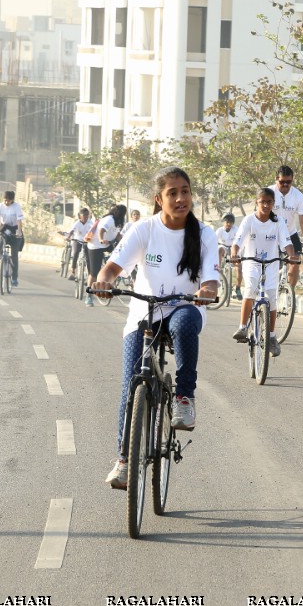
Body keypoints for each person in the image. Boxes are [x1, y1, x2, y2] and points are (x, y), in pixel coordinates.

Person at [92, 167, 219, 489]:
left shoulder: (205, 233)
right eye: (173, 193)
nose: (180, 198)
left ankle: (184, 399)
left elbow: (211, 279)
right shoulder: (144, 229)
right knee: (131, 384)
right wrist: (104, 282)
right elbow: (113, 267)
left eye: (185, 191)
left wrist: (206, 291)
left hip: (183, 306)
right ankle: (124, 460)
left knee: (187, 322)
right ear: (158, 199)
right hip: (144, 311)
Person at [231, 188, 298, 357]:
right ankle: (242, 327)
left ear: (273, 204)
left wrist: (292, 256)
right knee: (250, 288)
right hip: (251, 262)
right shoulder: (249, 220)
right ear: (257, 202)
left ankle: (272, 336)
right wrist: (234, 254)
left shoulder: (278, 222)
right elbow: (237, 242)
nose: (266, 205)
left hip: (271, 264)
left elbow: (286, 243)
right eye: (263, 202)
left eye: (270, 202)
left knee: (272, 298)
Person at [270, 165, 303, 291]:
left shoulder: (298, 195)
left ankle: (290, 292)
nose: (285, 185)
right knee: (270, 266)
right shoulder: (269, 193)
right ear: (276, 179)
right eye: (282, 182)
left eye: (289, 182)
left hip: (290, 234)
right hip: (271, 234)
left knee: (295, 263)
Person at [84, 204, 127, 307]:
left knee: (117, 258)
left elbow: (117, 234)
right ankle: (89, 296)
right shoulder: (109, 219)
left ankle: (112, 277)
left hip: (108, 244)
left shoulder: (119, 221)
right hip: (96, 245)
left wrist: (125, 242)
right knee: (94, 273)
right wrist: (101, 239)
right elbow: (101, 230)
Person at [0, 190, 25, 287]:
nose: (6, 202)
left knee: (14, 256)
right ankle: (0, 261)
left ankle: (14, 278)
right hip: (4, 228)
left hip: (15, 229)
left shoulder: (17, 207)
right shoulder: (0, 206)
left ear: (12, 200)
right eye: (5, 200)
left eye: (8, 201)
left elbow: (19, 220)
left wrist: (19, 232)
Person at [216, 213, 242, 300]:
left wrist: (235, 254)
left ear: (233, 223)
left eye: (230, 222)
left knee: (238, 267)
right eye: (227, 222)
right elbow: (214, 241)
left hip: (233, 248)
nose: (228, 224)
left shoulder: (236, 230)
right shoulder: (219, 231)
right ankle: (218, 268)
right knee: (219, 250)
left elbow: (239, 241)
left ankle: (238, 288)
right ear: (224, 222)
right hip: (223, 246)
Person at [63, 208, 91, 281]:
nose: (86, 218)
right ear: (80, 217)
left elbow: (93, 230)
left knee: (89, 257)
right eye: (84, 216)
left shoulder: (90, 222)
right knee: (75, 253)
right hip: (77, 240)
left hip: (86, 241)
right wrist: (68, 237)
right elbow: (72, 231)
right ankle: (73, 272)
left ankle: (89, 275)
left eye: (87, 216)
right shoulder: (77, 223)